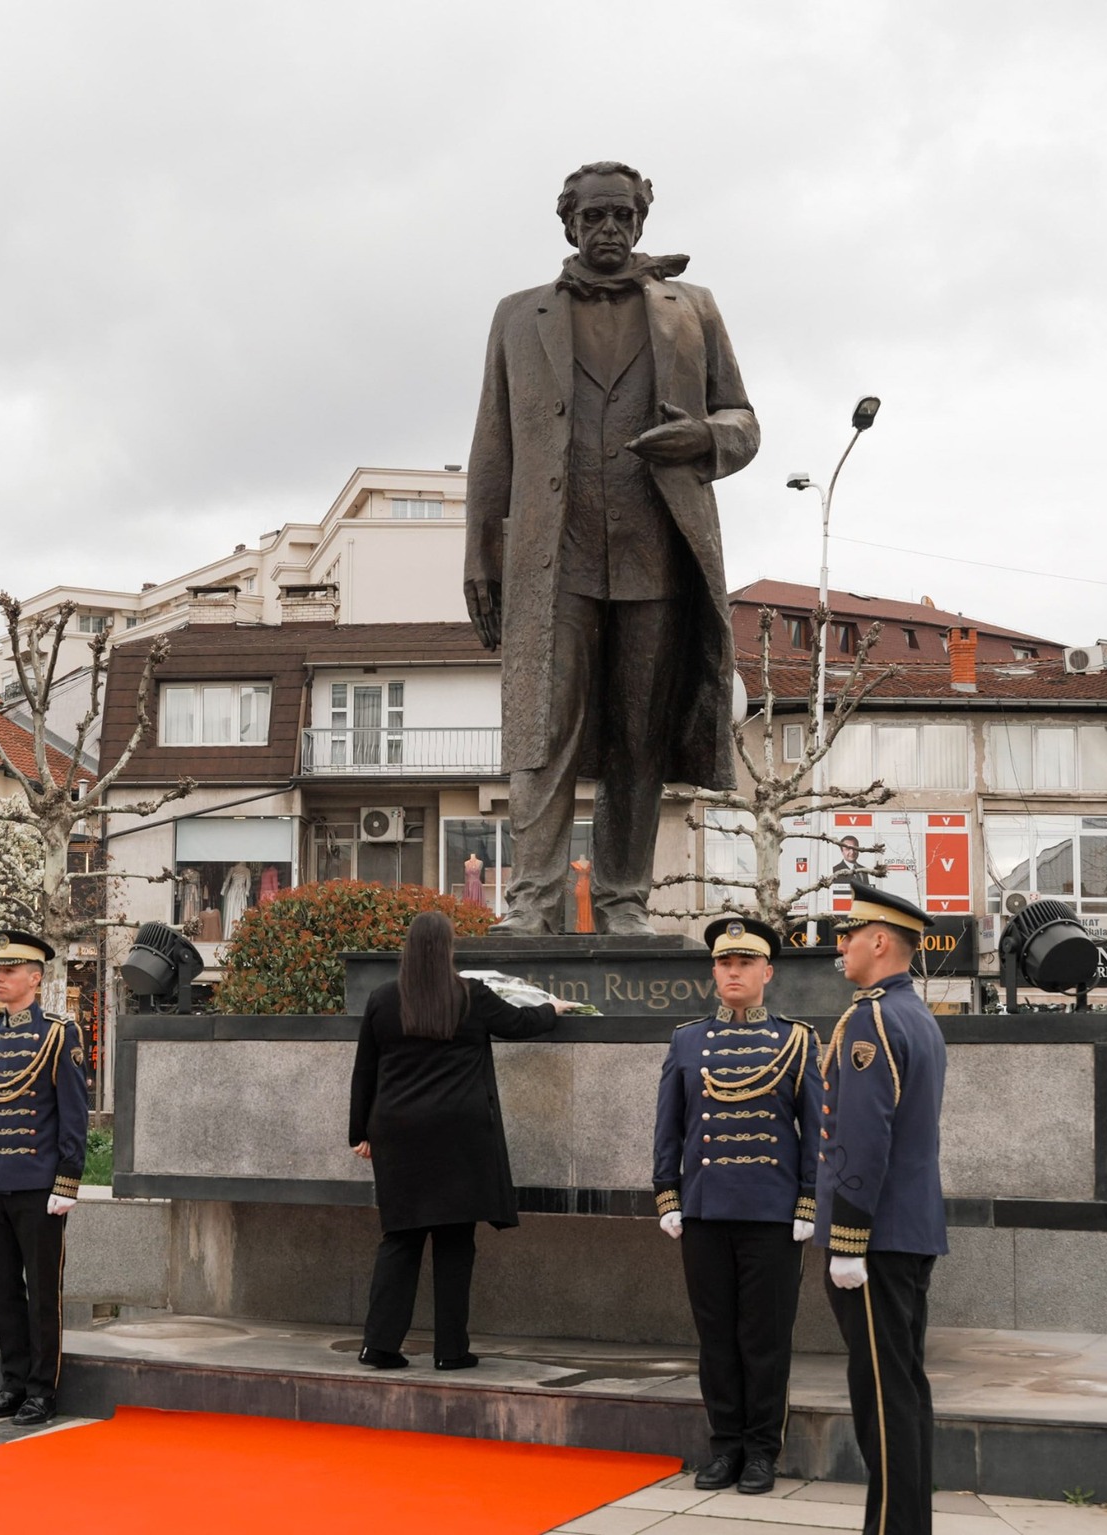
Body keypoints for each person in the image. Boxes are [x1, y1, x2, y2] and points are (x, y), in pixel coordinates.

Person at [465, 160, 758, 936]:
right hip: (550, 560)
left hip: (655, 552)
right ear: (568, 223)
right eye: (594, 216)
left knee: (639, 734)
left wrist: (704, 435)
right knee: (541, 729)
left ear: (640, 222)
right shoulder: (516, 315)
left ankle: (625, 901)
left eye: (623, 216)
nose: (609, 230)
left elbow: (743, 420)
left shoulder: (690, 308)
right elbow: (493, 447)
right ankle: (534, 900)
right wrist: (479, 552)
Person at [348, 911, 574, 1370]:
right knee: (455, 1242)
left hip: (399, 1135)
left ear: (408, 950)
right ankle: (451, 1352)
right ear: (448, 950)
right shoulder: (470, 996)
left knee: (401, 1238)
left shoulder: (383, 999)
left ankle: (379, 1345)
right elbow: (521, 1023)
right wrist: (554, 1009)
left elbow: (365, 1072)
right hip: (459, 1135)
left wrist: (359, 1133)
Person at [653, 917, 820, 1496]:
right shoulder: (687, 1040)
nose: (733, 972)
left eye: (745, 963)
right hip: (704, 1210)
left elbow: (817, 1129)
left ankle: (761, 1452)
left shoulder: (797, 1040)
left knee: (765, 1338)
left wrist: (808, 1198)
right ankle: (724, 1448)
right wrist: (667, 1194)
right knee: (716, 1337)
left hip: (772, 1213)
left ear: (766, 972)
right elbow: (669, 1128)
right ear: (713, 971)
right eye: (725, 963)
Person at [815, 883, 946, 1535]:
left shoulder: (871, 1019)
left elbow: (863, 1133)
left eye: (849, 933)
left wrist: (847, 1238)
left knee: (883, 1396)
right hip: (908, 1233)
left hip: (876, 1240)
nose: (840, 945)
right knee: (903, 1387)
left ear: (880, 941)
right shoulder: (915, 1015)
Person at [0, 929, 89, 1427]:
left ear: (35, 978)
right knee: (1, 1290)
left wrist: (67, 1181)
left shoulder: (60, 1033)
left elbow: (72, 1115)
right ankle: (12, 1384)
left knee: (42, 1291)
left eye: (10, 970)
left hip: (39, 1185)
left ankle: (43, 1391)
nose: (0, 978)